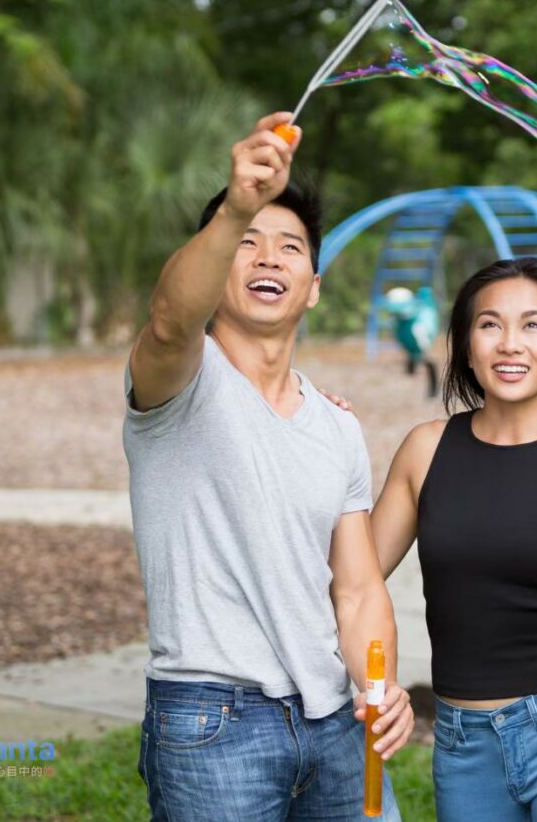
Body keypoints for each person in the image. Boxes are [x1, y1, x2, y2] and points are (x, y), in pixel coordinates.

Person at [123, 112, 413, 822]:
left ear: (313, 285)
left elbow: (357, 588)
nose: (268, 257)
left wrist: (380, 682)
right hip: (211, 722)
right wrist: (235, 209)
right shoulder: (179, 385)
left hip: (338, 722)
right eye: (247, 245)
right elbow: (168, 320)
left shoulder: (338, 426)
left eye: (290, 248)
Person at [370, 257, 537, 821]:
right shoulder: (426, 449)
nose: (510, 343)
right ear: (468, 345)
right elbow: (356, 576)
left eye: (533, 325)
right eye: (490, 324)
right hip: (463, 741)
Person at [382, 286, 441, 399]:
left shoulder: (422, 315)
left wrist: (424, 345)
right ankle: (415, 375)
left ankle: (433, 391)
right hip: (414, 342)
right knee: (419, 360)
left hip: (421, 342)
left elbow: (424, 329)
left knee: (427, 361)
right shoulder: (403, 318)